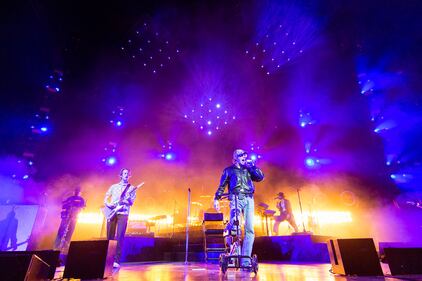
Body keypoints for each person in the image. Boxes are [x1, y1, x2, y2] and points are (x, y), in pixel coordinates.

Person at [214, 149, 264, 269]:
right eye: (242, 155)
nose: (244, 157)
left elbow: (260, 177)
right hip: (236, 198)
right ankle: (229, 232)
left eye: (245, 155)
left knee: (250, 229)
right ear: (235, 157)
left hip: (249, 199)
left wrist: (253, 166)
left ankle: (245, 262)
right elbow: (222, 185)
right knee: (236, 225)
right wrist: (216, 198)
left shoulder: (248, 169)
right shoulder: (228, 170)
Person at [104, 168, 143, 268]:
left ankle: (116, 260)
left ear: (130, 176)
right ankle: (106, 258)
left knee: (120, 236)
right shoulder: (113, 187)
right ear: (120, 175)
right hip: (112, 212)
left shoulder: (132, 188)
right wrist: (109, 204)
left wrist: (126, 200)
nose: (126, 175)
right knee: (109, 236)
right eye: (124, 173)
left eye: (128, 174)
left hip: (123, 213)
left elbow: (131, 203)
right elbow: (106, 197)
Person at [54, 187, 86, 253]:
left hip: (74, 217)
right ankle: (56, 245)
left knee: (70, 231)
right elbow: (63, 205)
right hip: (66, 217)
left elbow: (83, 207)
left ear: (80, 193)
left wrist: (77, 209)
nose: (77, 192)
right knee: (61, 230)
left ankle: (65, 246)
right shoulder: (70, 198)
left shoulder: (81, 199)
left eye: (78, 191)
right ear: (74, 191)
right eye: (76, 191)